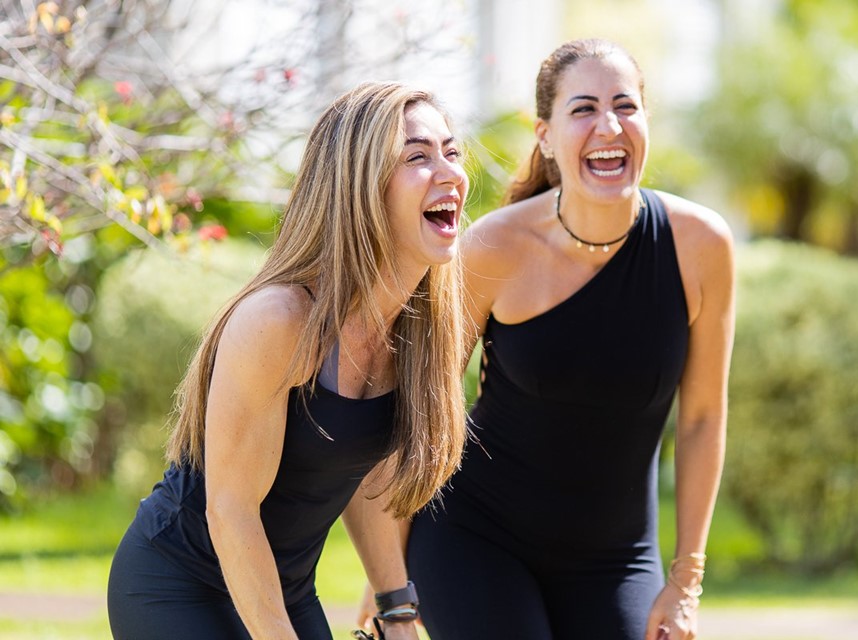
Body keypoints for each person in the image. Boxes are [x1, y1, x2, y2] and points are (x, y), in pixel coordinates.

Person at [107, 81, 469, 640]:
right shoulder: (281, 321)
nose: (449, 172)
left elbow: (364, 471)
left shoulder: (415, 329)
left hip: (285, 586)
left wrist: (396, 610)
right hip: (178, 583)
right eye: (417, 156)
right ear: (359, 187)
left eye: (451, 151)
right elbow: (230, 511)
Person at [402, 38, 735, 640]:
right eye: (582, 109)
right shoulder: (492, 249)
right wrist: (389, 583)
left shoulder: (701, 246)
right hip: (475, 537)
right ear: (546, 135)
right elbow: (420, 409)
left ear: (646, 124)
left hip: (615, 560)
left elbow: (703, 417)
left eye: (625, 106)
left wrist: (685, 582)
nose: (608, 126)